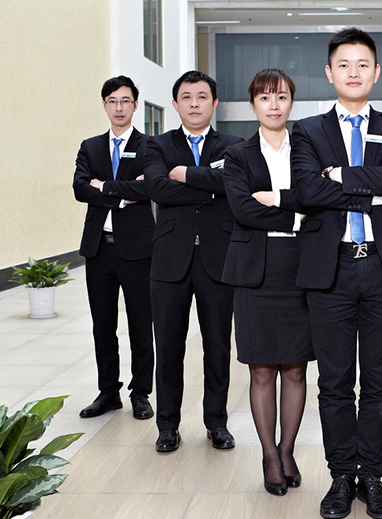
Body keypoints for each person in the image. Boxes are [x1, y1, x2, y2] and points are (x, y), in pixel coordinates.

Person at [291, 27, 382, 519]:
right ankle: (342, 476)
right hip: (332, 269)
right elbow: (307, 190)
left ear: (377, 72)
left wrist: (339, 176)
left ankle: (373, 476)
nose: (353, 72)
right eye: (343, 64)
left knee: (380, 384)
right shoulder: (308, 130)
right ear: (329, 73)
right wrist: (375, 187)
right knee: (335, 383)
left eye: (362, 64)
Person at [222, 68, 314, 497]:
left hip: (301, 269)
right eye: (264, 97)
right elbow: (242, 209)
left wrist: (279, 202)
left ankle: (288, 450)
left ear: (291, 102)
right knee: (261, 369)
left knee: (296, 368)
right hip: (254, 272)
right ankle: (269, 455)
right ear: (252, 104)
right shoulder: (237, 155)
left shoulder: (308, 149)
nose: (273, 105)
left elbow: (316, 199)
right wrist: (295, 216)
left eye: (281, 97)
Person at [144, 70, 243, 453]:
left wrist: (186, 177)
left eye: (202, 97)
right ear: (175, 104)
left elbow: (236, 186)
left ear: (214, 103)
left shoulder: (233, 146)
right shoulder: (157, 145)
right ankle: (167, 426)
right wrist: (212, 188)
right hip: (170, 260)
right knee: (168, 347)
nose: (194, 103)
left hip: (218, 257)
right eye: (187, 97)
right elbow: (157, 188)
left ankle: (216, 423)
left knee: (217, 347)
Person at [72, 75, 155, 421]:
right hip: (99, 250)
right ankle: (108, 392)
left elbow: (149, 187)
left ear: (135, 105)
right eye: (112, 101)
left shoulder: (150, 146)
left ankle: (140, 392)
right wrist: (122, 195)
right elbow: (80, 188)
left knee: (140, 323)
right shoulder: (90, 147)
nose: (119, 107)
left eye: (125, 101)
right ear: (104, 105)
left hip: (138, 249)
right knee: (103, 324)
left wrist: (103, 187)